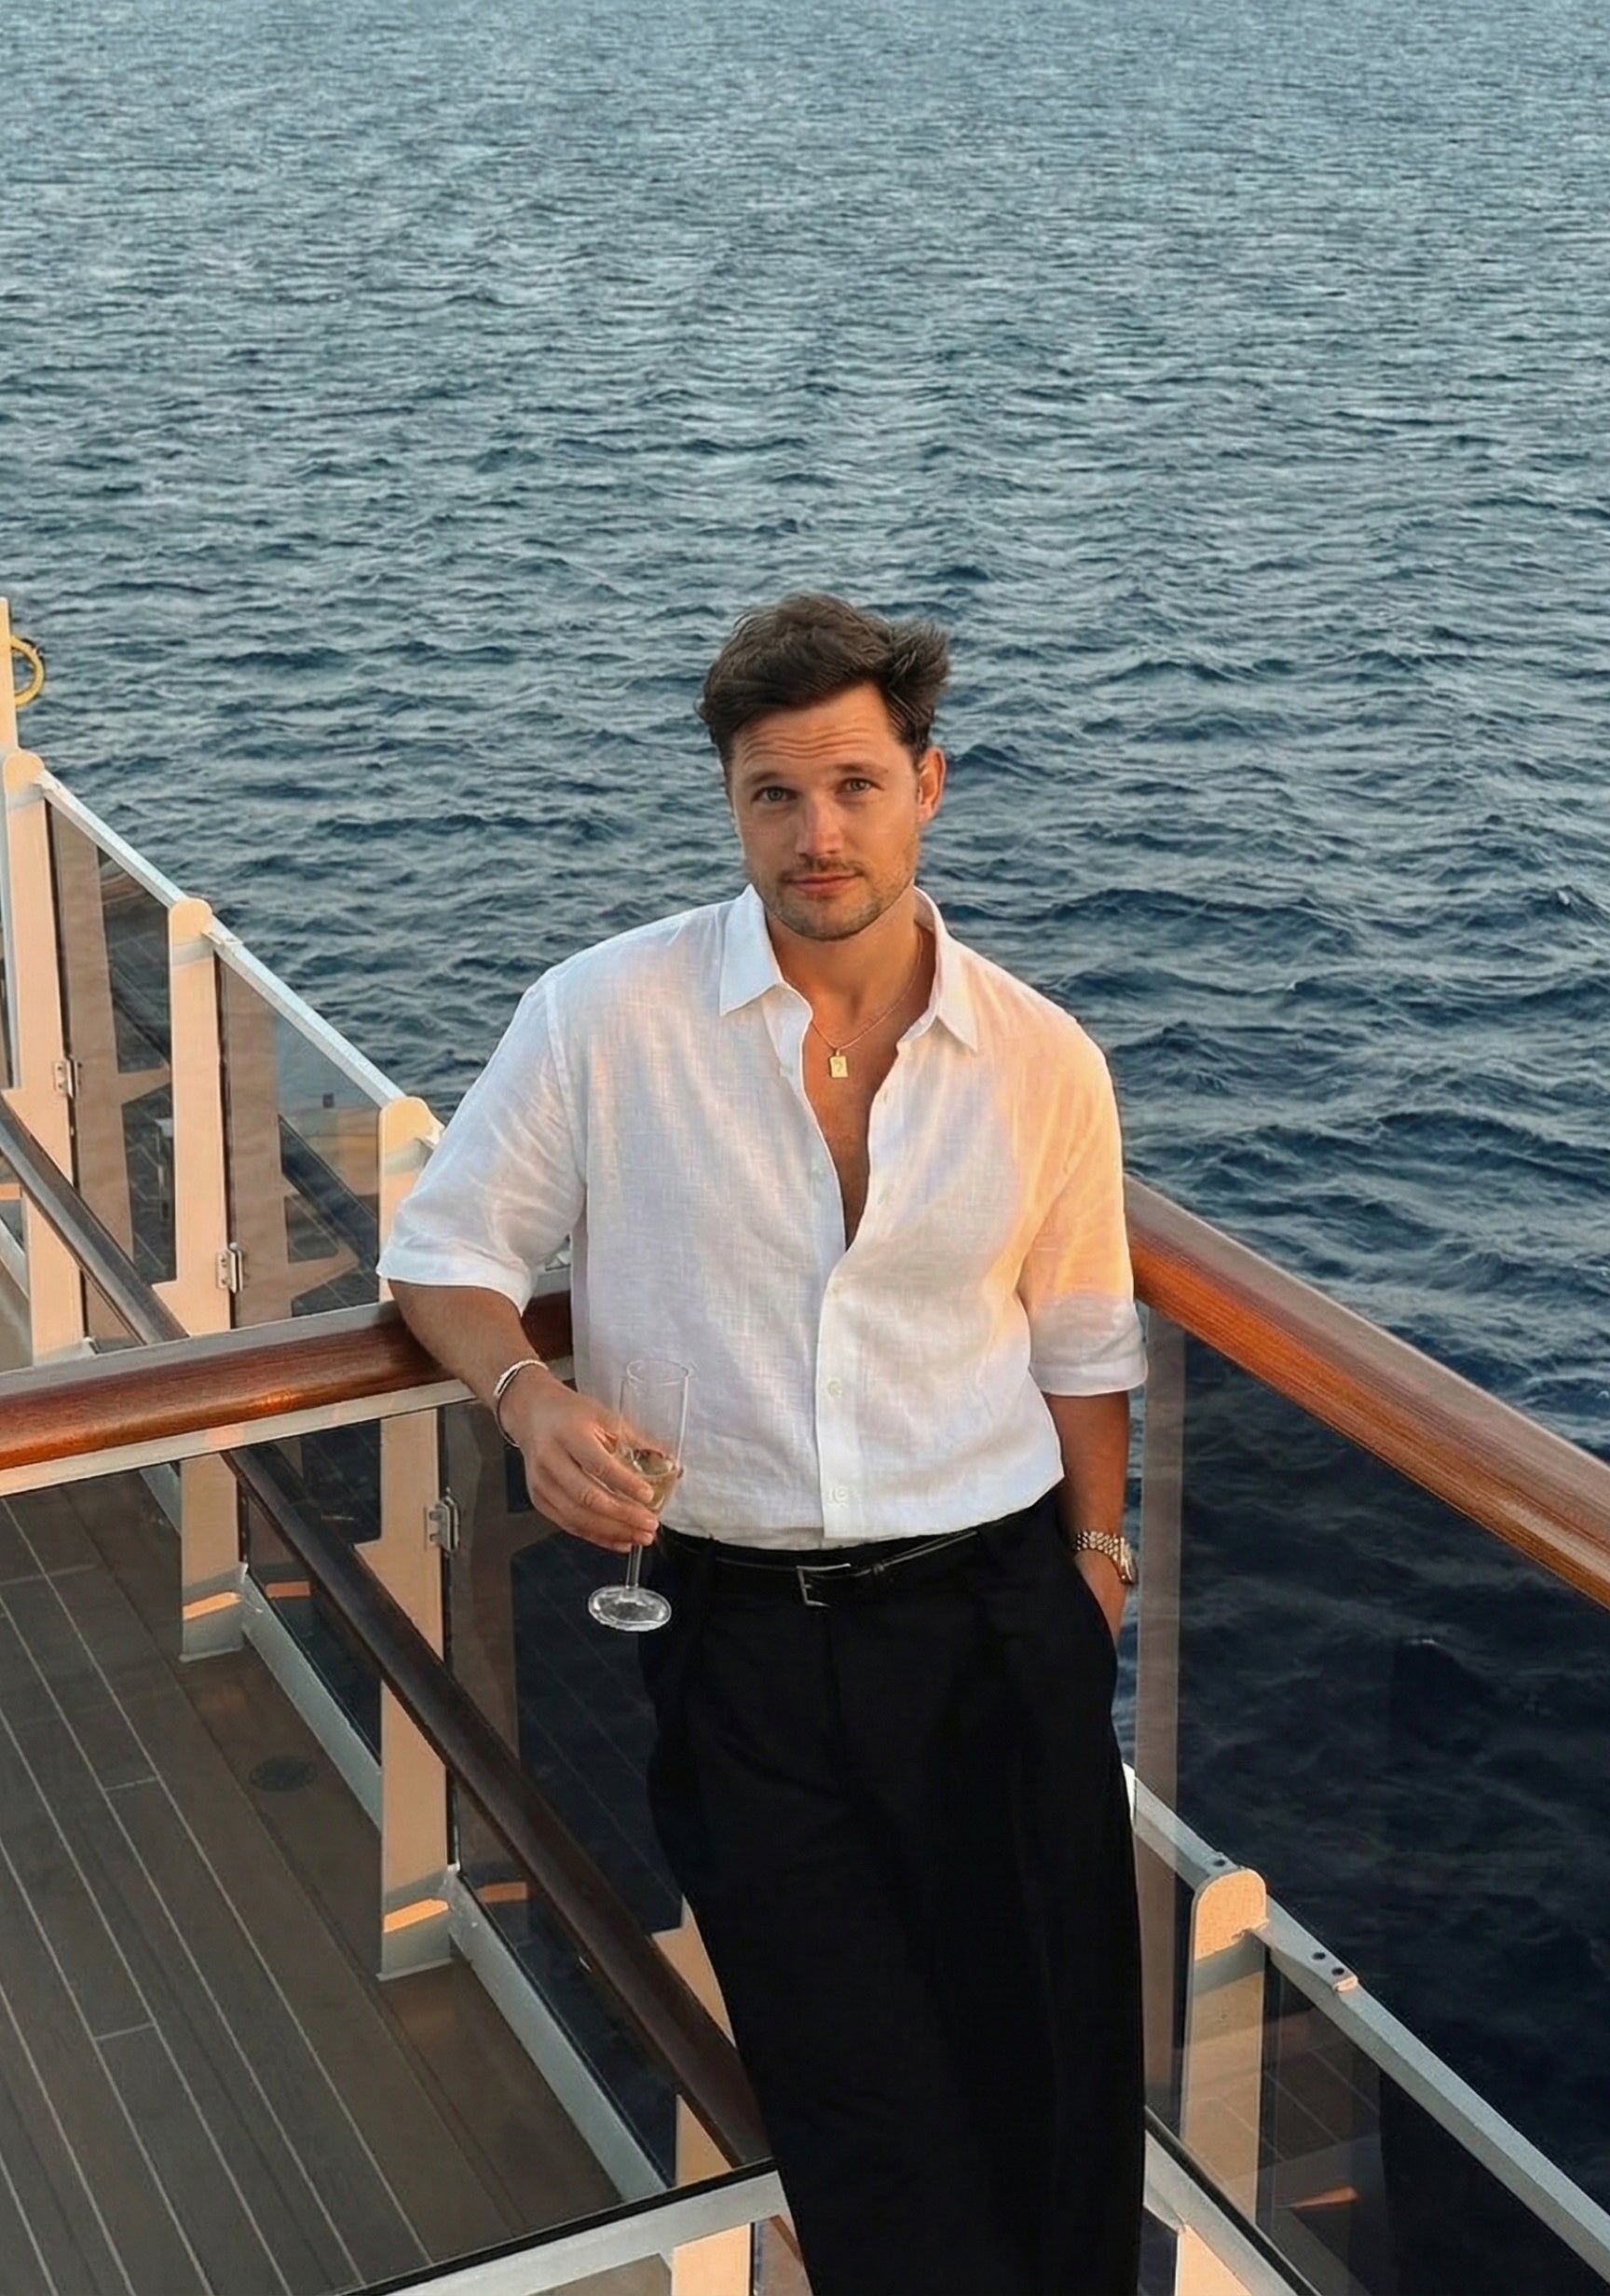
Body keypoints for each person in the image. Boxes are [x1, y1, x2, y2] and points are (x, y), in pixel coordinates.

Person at [379, 594, 1148, 2296]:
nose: (819, 835)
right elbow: (443, 1253)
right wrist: (528, 1399)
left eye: (856, 785)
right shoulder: (605, 1017)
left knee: (1058, 2083)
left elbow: (1087, 1345)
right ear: (729, 802)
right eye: (775, 795)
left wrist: (1095, 1571)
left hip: (994, 1618)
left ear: (929, 783)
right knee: (853, 2103)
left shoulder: (1041, 1059)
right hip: (738, 1639)